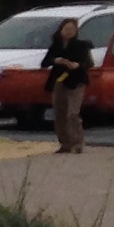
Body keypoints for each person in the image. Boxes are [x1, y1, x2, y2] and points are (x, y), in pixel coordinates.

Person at [40, 16, 94, 153]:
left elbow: (89, 63)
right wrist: (57, 60)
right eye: (67, 28)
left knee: (72, 113)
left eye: (72, 29)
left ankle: (77, 142)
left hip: (76, 81)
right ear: (61, 29)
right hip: (59, 81)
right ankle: (65, 143)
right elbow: (45, 62)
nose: (69, 31)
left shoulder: (81, 46)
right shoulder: (55, 45)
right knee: (59, 113)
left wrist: (78, 65)